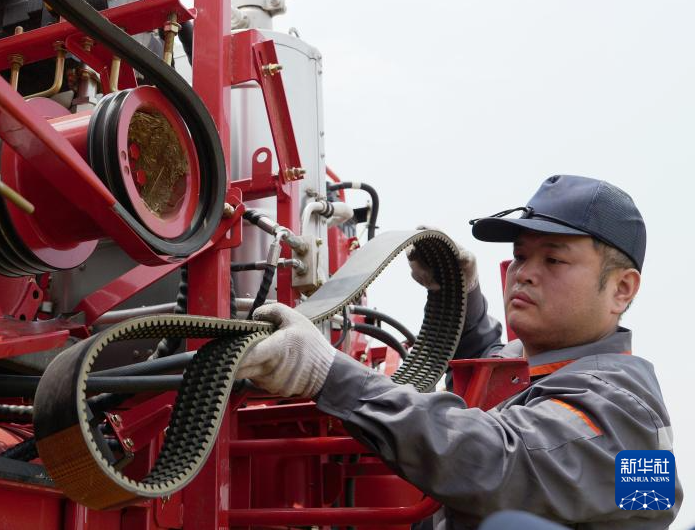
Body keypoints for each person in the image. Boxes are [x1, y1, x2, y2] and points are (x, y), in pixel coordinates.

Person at [237, 175, 682, 528]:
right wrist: (462, 301)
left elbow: (498, 458)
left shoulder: (624, 412)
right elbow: (504, 382)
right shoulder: (558, 373)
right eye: (521, 256)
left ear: (621, 289)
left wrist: (327, 373)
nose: (524, 274)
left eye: (554, 260)